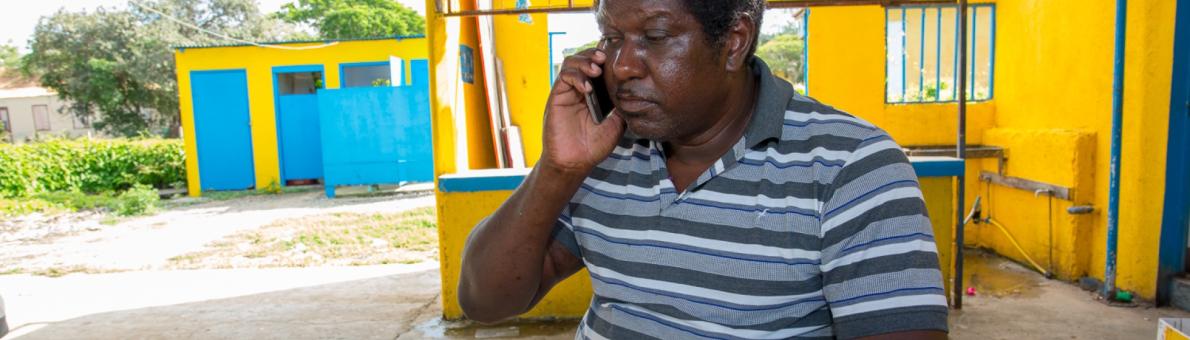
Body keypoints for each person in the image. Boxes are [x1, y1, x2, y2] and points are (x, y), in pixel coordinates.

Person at [457, 0, 949, 338]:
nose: (622, 65)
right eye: (611, 36)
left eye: (654, 36)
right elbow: (484, 301)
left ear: (734, 42)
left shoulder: (851, 167)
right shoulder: (605, 149)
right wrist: (557, 169)